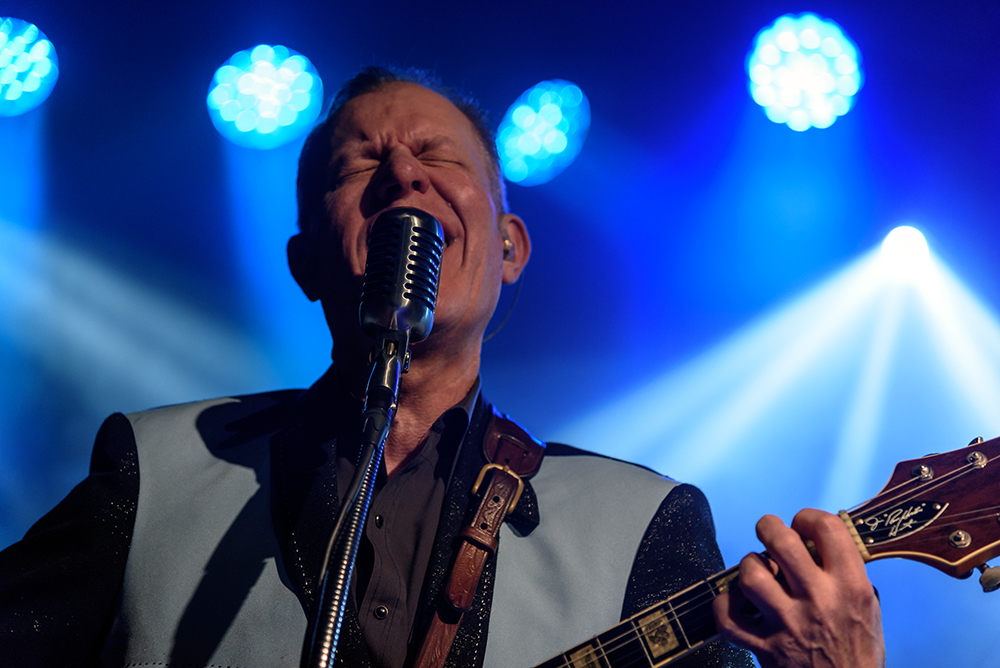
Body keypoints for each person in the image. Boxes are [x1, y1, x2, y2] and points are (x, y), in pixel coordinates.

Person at [0, 67, 884, 668]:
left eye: (438, 157)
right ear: (306, 264)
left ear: (509, 248)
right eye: (362, 165)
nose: (402, 179)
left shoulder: (646, 525)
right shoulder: (154, 474)